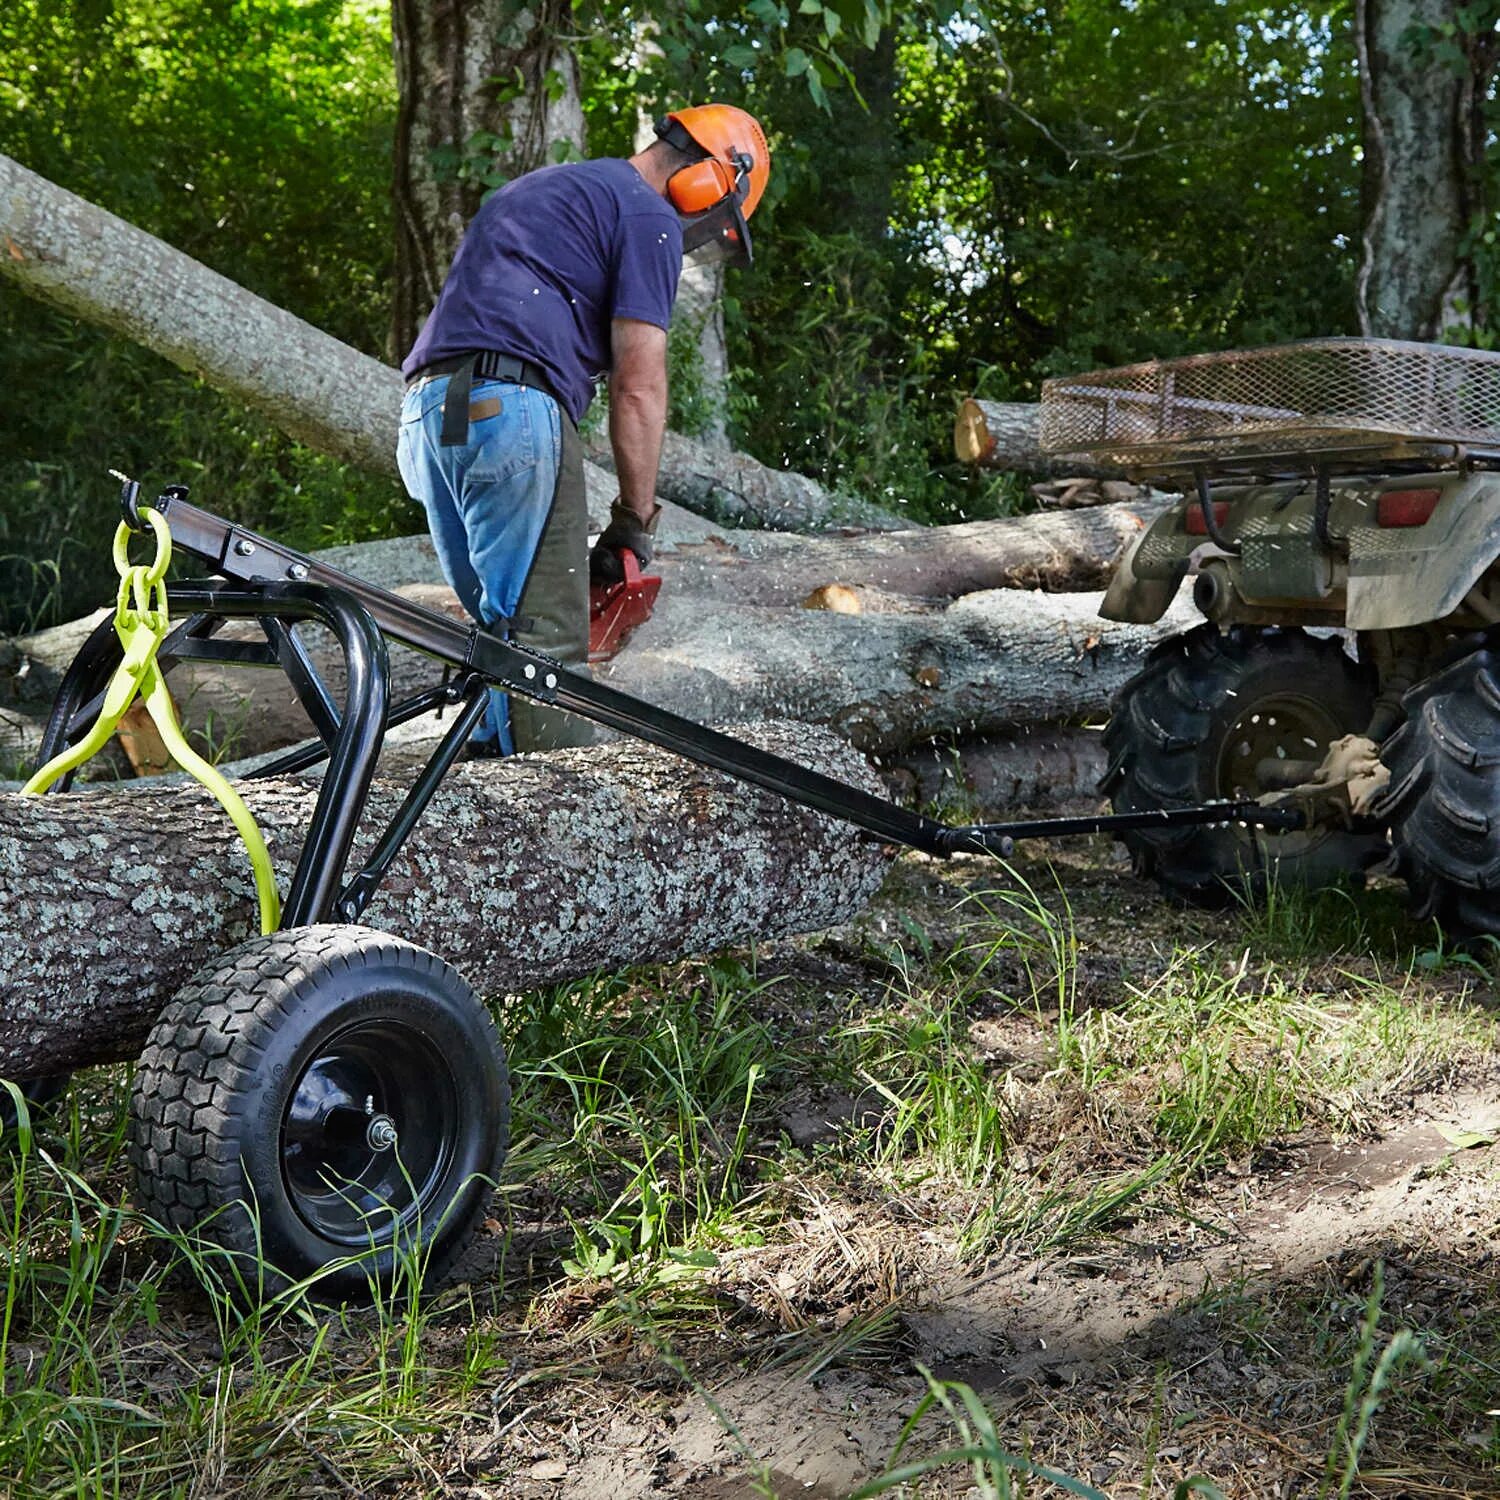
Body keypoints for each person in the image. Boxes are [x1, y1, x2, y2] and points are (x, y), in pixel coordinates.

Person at [396, 104, 771, 755]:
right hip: (510, 408)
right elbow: (638, 387)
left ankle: (476, 795)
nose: (699, 235)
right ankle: (557, 813)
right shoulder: (649, 214)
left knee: (497, 638)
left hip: (433, 415)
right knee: (546, 654)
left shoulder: (549, 187)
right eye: (715, 222)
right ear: (712, 181)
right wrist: (634, 520)